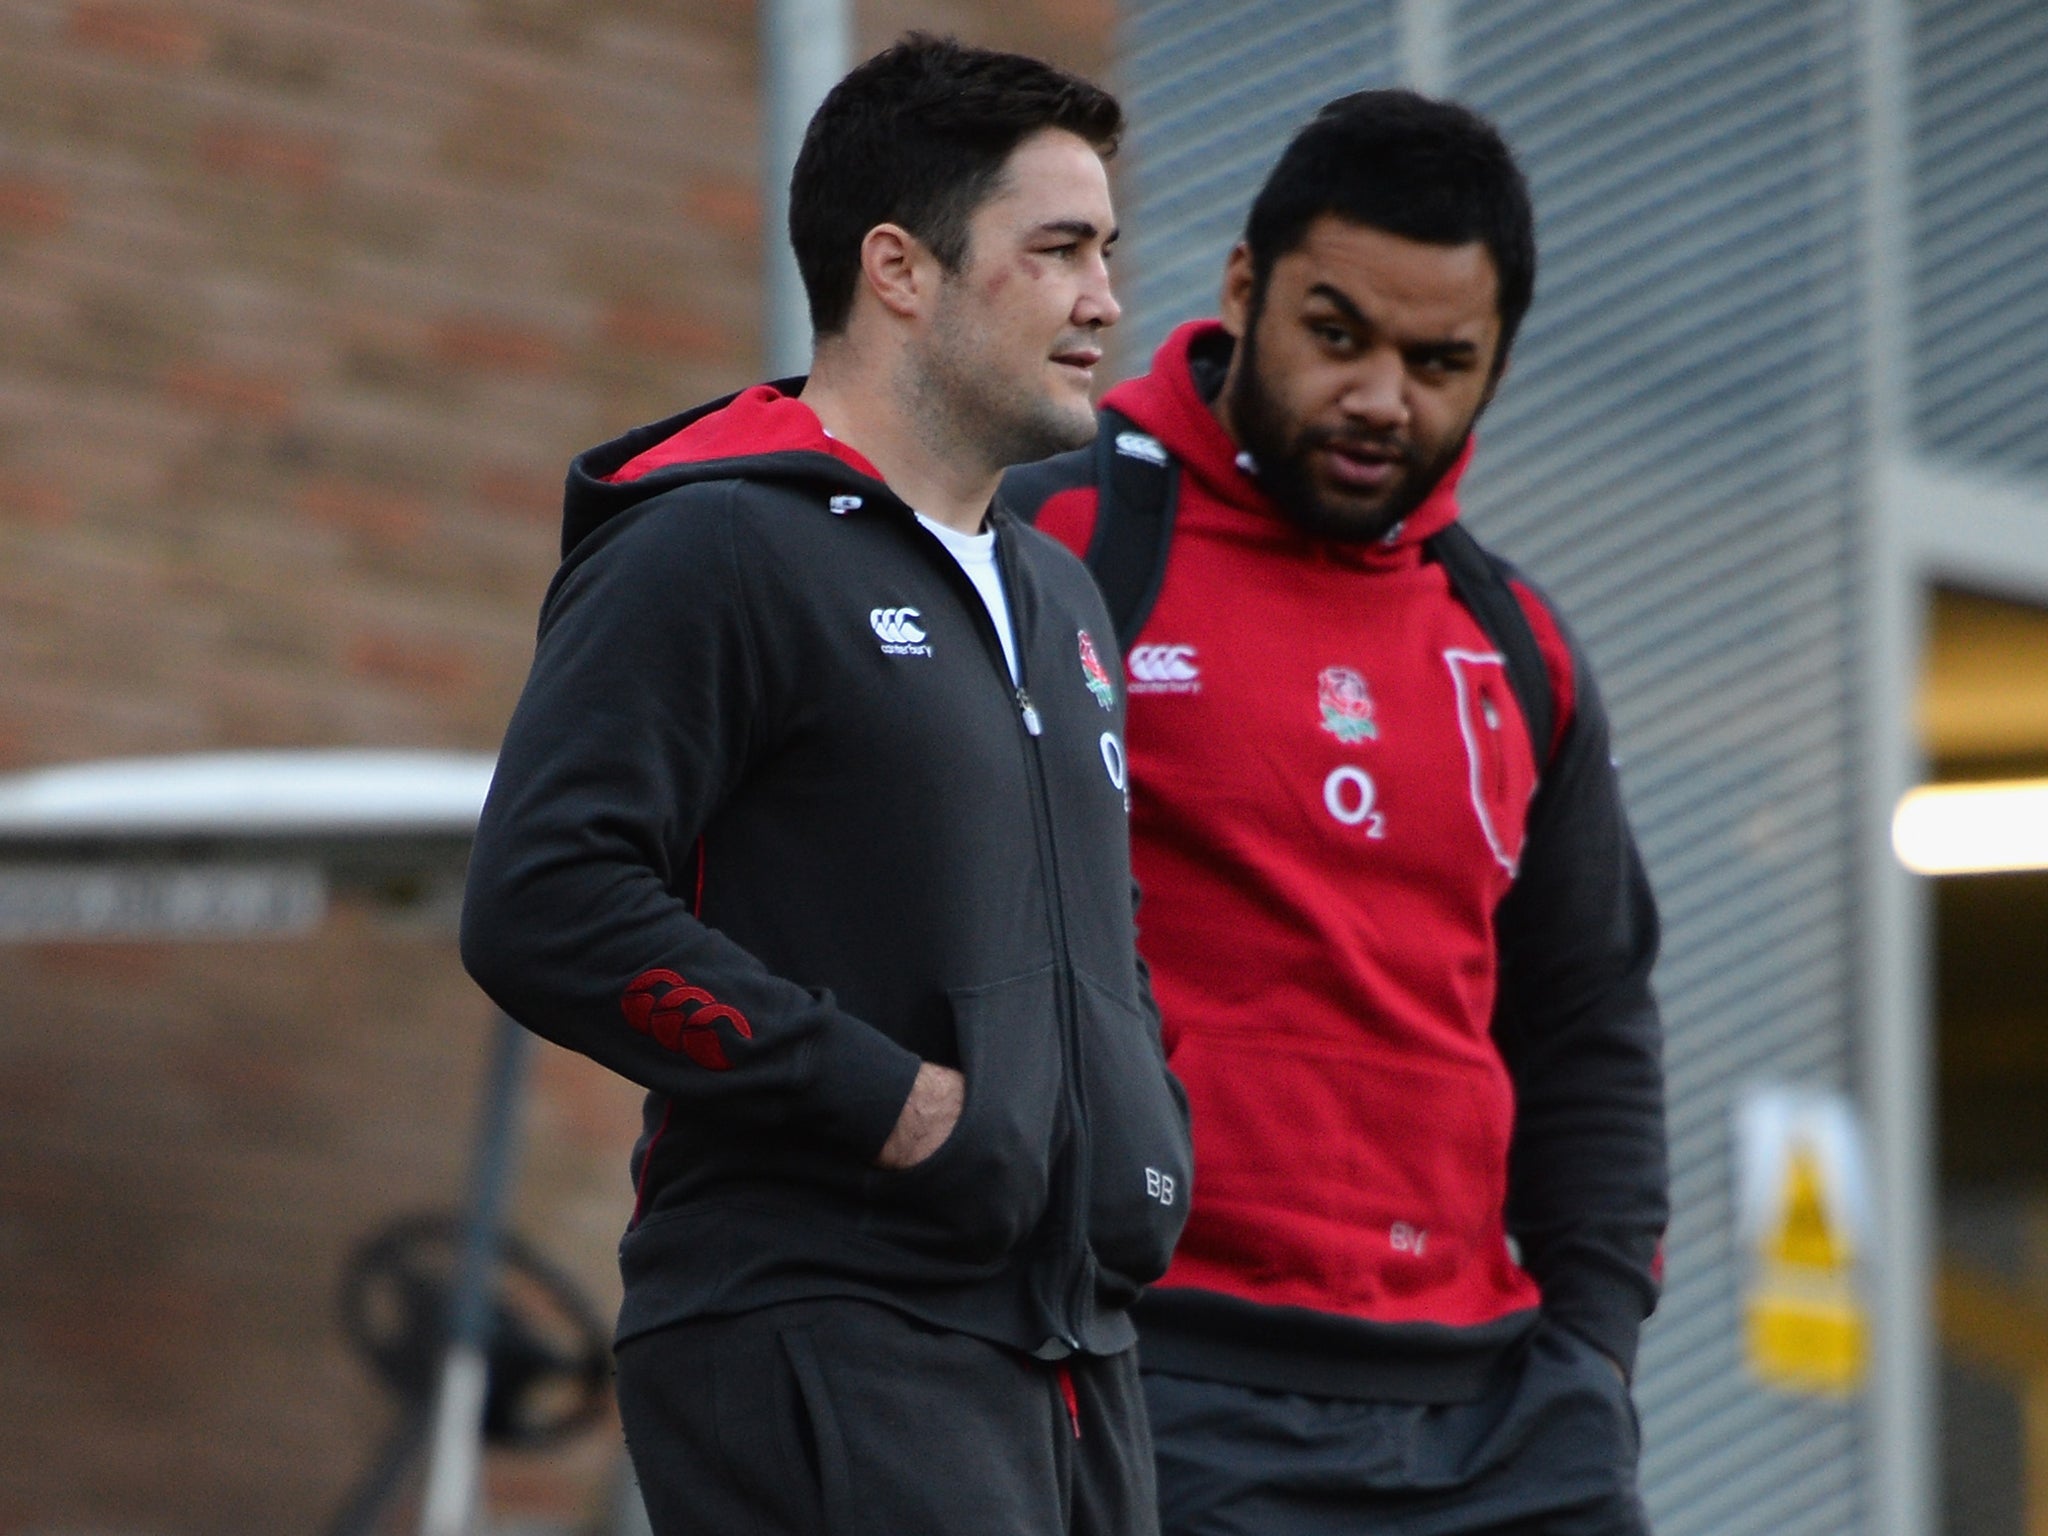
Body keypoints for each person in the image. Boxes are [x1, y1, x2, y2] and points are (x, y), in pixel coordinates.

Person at [460, 34, 1192, 1536]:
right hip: (823, 1323)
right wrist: (888, 1100)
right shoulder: (715, 545)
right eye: (1058, 252)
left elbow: (1089, 947)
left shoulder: (1064, 606)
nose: (1107, 302)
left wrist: (1141, 1133)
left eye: (1108, 253)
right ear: (899, 270)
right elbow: (547, 903)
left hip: (1070, 1352)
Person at [1010, 90, 1668, 1535]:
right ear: (1243, 289)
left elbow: (1589, 1024)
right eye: (1338, 335)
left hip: (1502, 1424)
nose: (1384, 397)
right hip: (1159, 1378)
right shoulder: (1052, 539)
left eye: (1443, 363)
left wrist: (1592, 1359)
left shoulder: (1518, 646)